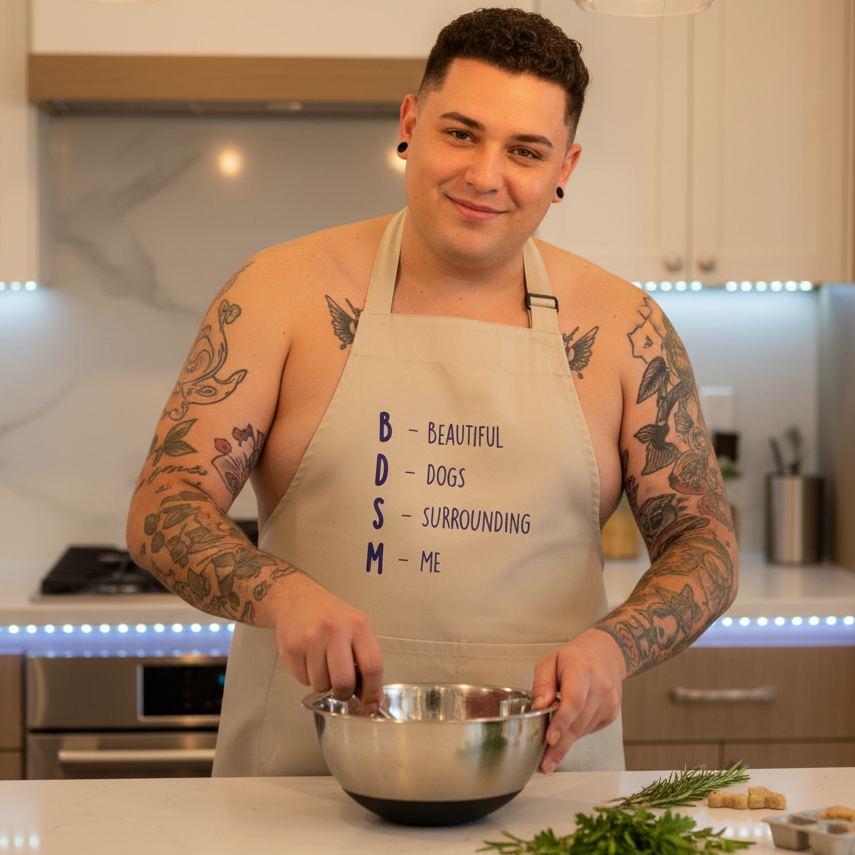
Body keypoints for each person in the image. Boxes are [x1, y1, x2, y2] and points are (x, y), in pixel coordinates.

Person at [126, 7, 738, 777]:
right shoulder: (280, 293)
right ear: (410, 122)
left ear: (564, 169)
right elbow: (163, 504)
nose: (485, 174)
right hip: (301, 783)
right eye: (460, 132)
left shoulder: (625, 329)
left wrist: (615, 645)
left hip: (546, 786)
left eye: (524, 150)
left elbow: (703, 542)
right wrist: (281, 595)